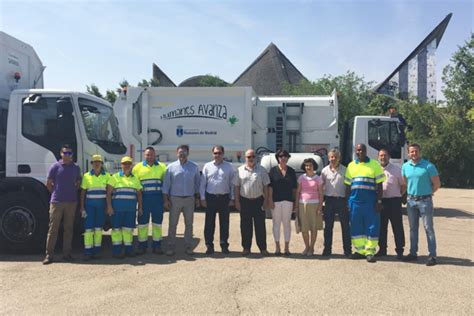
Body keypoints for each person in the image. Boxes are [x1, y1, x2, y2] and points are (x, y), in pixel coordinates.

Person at [345, 143, 385, 263]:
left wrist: (379, 201)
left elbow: (380, 185)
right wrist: (348, 202)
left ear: (366, 151)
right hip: (355, 202)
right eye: (358, 150)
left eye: (362, 150)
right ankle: (359, 251)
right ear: (355, 151)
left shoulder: (374, 165)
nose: (360, 152)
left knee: (372, 226)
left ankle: (370, 252)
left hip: (370, 202)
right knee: (356, 226)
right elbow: (347, 186)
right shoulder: (351, 166)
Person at [402, 143, 440, 266]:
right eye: (411, 152)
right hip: (411, 201)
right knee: (413, 229)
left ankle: (432, 256)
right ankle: (413, 253)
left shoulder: (428, 166)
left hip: (425, 201)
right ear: (408, 153)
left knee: (428, 228)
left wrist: (429, 193)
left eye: (416, 151)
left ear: (420, 152)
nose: (414, 154)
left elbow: (437, 184)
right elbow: (405, 183)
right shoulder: (405, 166)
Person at [43, 144, 82, 265]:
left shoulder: (76, 168)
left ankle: (67, 254)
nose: (67, 155)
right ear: (61, 154)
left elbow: (78, 183)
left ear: (72, 155)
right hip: (57, 202)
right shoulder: (55, 167)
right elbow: (49, 183)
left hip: (71, 202)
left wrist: (72, 192)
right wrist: (55, 193)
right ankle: (49, 255)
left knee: (68, 228)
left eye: (69, 153)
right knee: (53, 228)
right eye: (65, 153)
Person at [163, 145, 200, 256]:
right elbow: (166, 185)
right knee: (173, 224)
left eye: (184, 152)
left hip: (189, 199)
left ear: (188, 153)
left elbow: (197, 184)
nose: (182, 154)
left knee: (189, 224)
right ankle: (171, 246)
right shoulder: (171, 167)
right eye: (180, 152)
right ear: (176, 153)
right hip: (175, 199)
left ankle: (188, 246)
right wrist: (166, 200)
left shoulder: (194, 167)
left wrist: (197, 198)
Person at [234, 149, 270, 256]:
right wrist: (237, 201)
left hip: (258, 201)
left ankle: (263, 248)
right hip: (245, 202)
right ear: (245, 158)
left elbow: (266, 187)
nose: (251, 159)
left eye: (253, 156)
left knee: (260, 226)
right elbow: (236, 187)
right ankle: (246, 248)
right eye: (248, 157)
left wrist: (266, 201)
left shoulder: (262, 170)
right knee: (245, 226)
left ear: (256, 158)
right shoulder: (239, 170)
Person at [200, 145, 235, 255]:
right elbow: (202, 184)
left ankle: (224, 245)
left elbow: (232, 184)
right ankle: (209, 246)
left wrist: (232, 198)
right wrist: (202, 198)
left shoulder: (229, 167)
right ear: (212, 154)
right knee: (209, 224)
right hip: (210, 198)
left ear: (223, 154)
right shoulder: (207, 166)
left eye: (219, 153)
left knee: (224, 223)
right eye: (215, 153)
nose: (217, 155)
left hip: (224, 198)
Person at [106, 156, 143, 259]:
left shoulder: (135, 179)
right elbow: (108, 193)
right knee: (116, 230)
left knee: (128, 230)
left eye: (128, 164)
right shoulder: (114, 177)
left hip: (130, 210)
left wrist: (140, 207)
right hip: (117, 210)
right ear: (121, 165)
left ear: (131, 166)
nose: (126, 166)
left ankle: (128, 250)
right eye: (124, 164)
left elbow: (139, 194)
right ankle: (116, 251)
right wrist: (109, 207)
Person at [132, 147, 167, 255]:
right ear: (144, 155)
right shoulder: (137, 167)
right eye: (147, 155)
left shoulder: (162, 167)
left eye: (151, 155)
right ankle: (142, 246)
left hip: (157, 199)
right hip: (144, 199)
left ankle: (157, 246)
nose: (149, 157)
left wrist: (165, 200)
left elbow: (165, 185)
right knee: (142, 224)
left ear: (155, 155)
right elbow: (135, 186)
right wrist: (139, 202)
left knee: (157, 223)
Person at [320, 148, 351, 257]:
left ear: (339, 158)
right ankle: (327, 250)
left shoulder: (345, 170)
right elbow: (320, 187)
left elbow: (348, 186)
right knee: (328, 227)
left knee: (345, 226)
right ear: (328, 158)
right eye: (331, 157)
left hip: (342, 201)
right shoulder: (324, 171)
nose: (333, 159)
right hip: (329, 201)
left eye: (335, 157)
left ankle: (347, 250)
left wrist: (348, 201)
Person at [79, 154, 110, 260]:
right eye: (94, 162)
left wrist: (108, 206)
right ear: (91, 164)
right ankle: (88, 252)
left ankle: (97, 251)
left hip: (101, 207)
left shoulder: (107, 176)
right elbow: (83, 192)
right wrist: (82, 207)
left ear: (101, 164)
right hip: (89, 206)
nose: (97, 164)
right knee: (88, 229)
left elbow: (109, 192)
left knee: (98, 229)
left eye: (99, 162)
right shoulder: (86, 176)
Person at [377, 148, 406, 259]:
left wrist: (399, 195)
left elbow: (403, 185)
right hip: (381, 201)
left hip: (394, 201)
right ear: (378, 157)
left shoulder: (396, 169)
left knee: (397, 227)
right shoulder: (376, 169)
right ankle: (382, 249)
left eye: (385, 155)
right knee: (381, 227)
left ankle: (399, 250)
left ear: (389, 157)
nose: (383, 157)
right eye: (381, 156)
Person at [268, 149, 297, 256]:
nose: (283, 158)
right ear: (278, 158)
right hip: (275, 201)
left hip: (288, 201)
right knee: (276, 223)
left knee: (287, 224)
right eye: (281, 156)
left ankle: (286, 247)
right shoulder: (273, 171)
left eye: (285, 156)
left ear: (288, 158)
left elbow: (294, 189)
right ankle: (277, 247)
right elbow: (270, 187)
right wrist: (270, 200)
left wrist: (295, 202)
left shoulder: (291, 171)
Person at [294, 158, 324, 256]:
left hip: (315, 205)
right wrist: (297, 206)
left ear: (313, 166)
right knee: (304, 228)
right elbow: (298, 192)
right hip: (303, 205)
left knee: (313, 228)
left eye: (310, 165)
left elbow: (321, 193)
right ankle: (306, 247)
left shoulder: (318, 178)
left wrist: (320, 207)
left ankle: (312, 248)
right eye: (306, 165)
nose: (308, 167)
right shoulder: (301, 178)